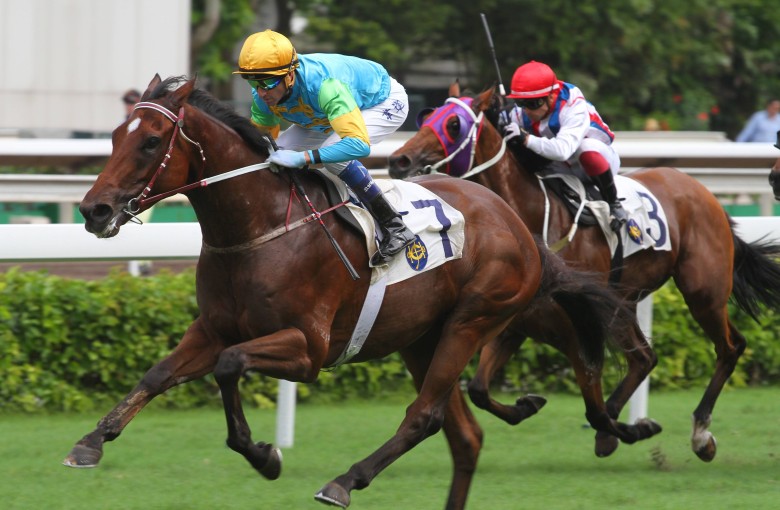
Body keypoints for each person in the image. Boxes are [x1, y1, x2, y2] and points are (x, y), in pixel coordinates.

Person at [233, 30, 414, 266]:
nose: (261, 92)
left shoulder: (326, 87)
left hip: (381, 102)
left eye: (268, 82)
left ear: (290, 75)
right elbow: (263, 138)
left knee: (333, 155)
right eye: (253, 82)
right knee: (271, 156)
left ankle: (395, 226)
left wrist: (304, 158)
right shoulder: (262, 91)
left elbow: (358, 145)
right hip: (325, 114)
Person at [500, 60, 627, 231]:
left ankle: (614, 203)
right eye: (522, 103)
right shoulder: (521, 112)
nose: (527, 111)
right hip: (560, 166)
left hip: (596, 161)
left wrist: (526, 138)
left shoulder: (572, 106)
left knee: (585, 149)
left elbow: (562, 151)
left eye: (533, 104)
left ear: (551, 96)